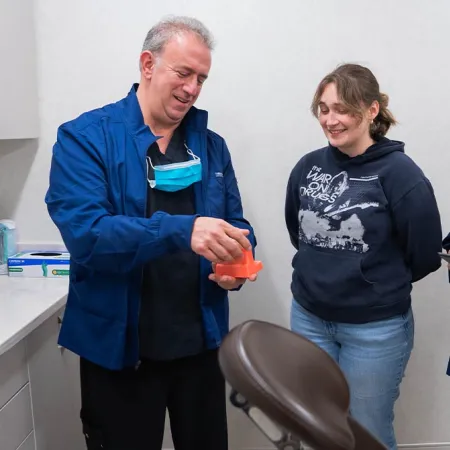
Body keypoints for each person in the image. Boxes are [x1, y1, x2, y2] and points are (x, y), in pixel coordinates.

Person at [45, 16, 257, 450]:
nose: (193, 88)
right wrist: (184, 231)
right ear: (147, 64)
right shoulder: (84, 139)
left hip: (200, 349)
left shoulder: (210, 146)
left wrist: (236, 260)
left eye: (201, 78)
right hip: (121, 352)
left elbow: (237, 225)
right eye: (184, 73)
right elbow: (88, 234)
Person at [285, 63, 442, 449]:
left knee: (365, 431)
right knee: (313, 425)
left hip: (374, 331)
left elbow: (423, 254)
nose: (331, 119)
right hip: (309, 320)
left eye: (342, 108)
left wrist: (370, 282)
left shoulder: (402, 175)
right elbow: (299, 233)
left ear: (371, 111)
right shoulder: (308, 167)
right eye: (323, 108)